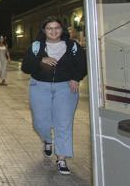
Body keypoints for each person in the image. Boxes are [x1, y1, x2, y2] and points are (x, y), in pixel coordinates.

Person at [21, 16, 87, 175]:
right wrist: (41, 60)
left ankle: (62, 158)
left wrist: (76, 78)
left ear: (62, 29)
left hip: (66, 88)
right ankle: (47, 140)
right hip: (39, 87)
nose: (53, 31)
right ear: (44, 30)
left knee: (63, 123)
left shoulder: (73, 46)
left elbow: (83, 65)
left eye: (57, 28)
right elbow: (26, 67)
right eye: (49, 28)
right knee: (40, 122)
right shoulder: (36, 47)